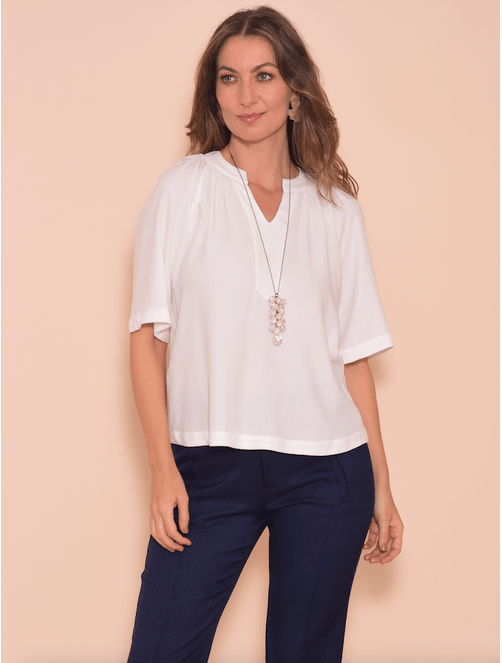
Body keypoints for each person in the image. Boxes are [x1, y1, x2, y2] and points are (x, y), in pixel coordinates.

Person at [126, 6, 404, 663]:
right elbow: (147, 340)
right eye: (228, 78)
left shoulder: (337, 211)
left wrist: (382, 486)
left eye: (264, 75)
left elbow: (353, 362)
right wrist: (162, 470)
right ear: (214, 93)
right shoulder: (184, 190)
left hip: (328, 471)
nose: (246, 95)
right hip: (209, 467)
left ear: (295, 92)